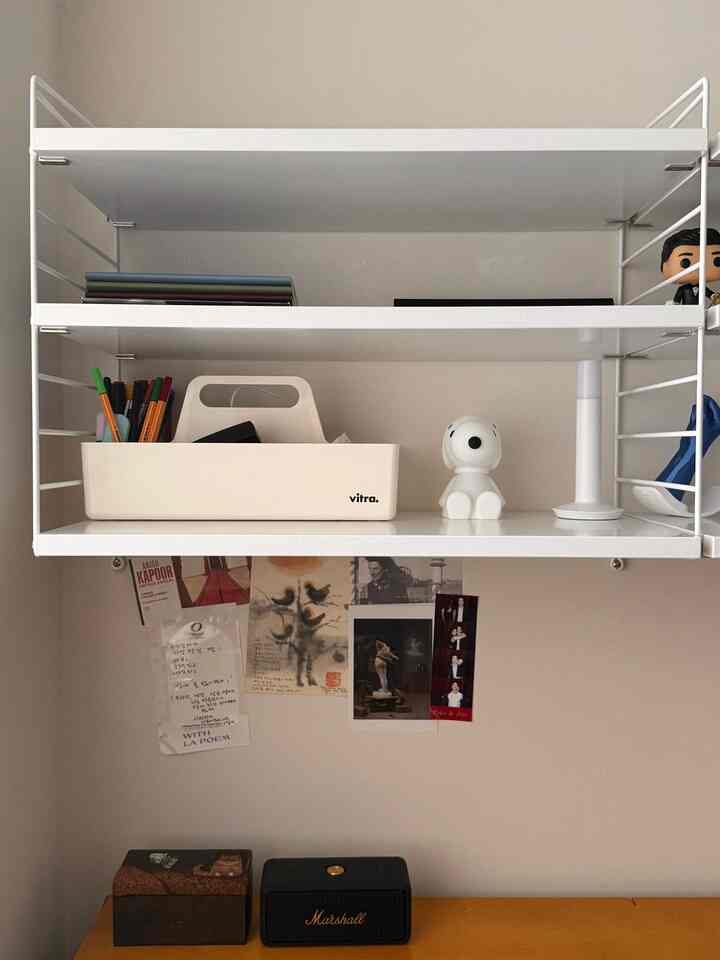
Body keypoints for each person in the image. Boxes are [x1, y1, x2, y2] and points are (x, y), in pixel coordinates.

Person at [660, 227, 720, 305]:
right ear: (665, 266)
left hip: (700, 308)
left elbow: (710, 294)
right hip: (687, 309)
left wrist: (715, 296)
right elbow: (677, 299)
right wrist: (675, 303)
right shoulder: (683, 288)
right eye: (685, 262)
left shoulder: (702, 288)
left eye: (717, 261)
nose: (698, 267)